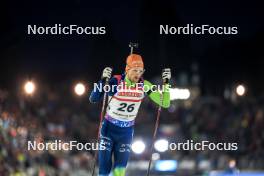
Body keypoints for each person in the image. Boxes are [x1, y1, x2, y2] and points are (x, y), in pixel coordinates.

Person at [89, 54, 171, 176]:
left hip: (126, 132)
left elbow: (164, 103)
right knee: (104, 170)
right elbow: (93, 98)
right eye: (134, 70)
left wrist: (166, 84)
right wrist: (102, 79)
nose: (138, 74)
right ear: (127, 70)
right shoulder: (116, 82)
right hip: (109, 129)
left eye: (140, 71)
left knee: (119, 171)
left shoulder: (144, 85)